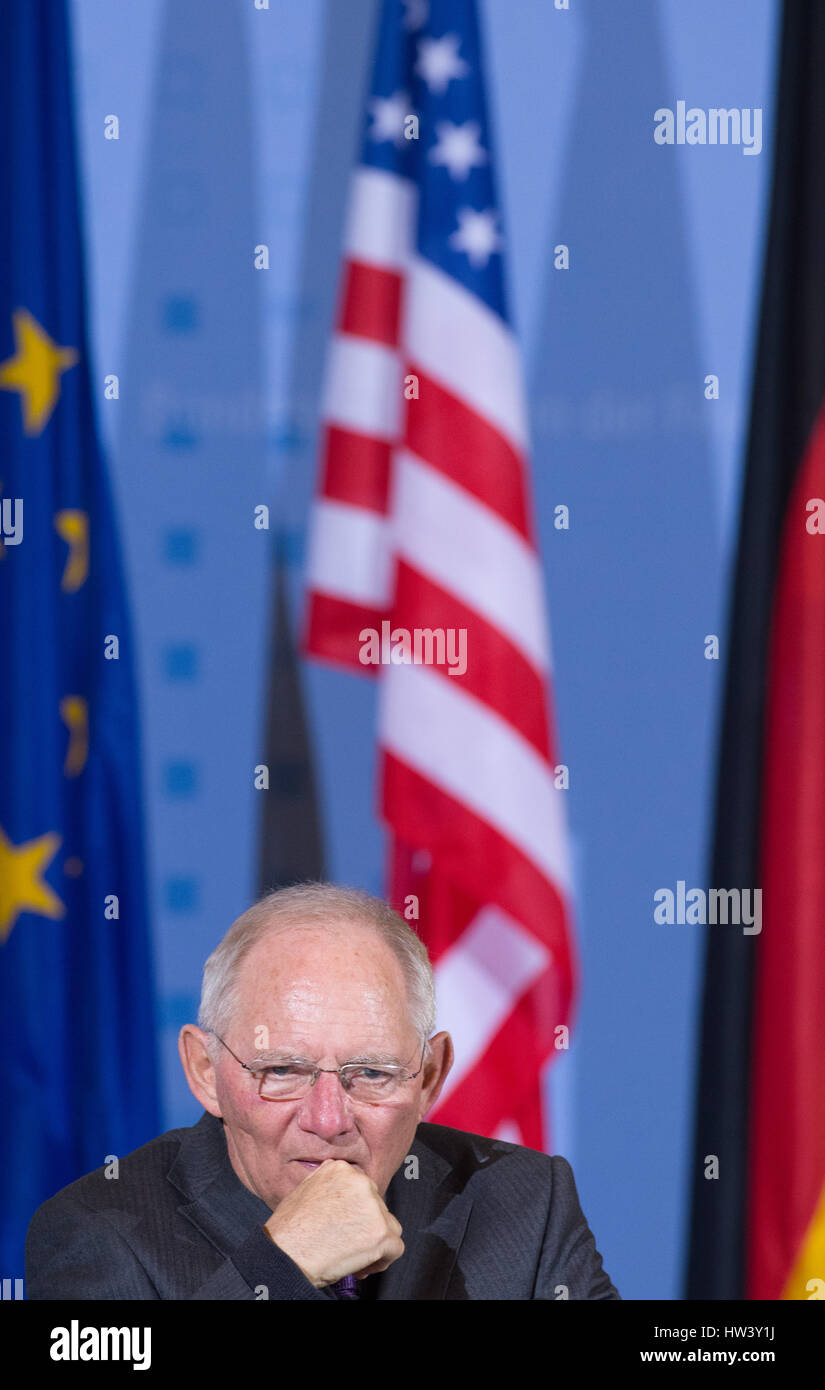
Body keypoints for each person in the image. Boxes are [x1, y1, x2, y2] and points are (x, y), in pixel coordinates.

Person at [25, 882, 620, 1300]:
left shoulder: (525, 1203)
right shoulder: (95, 1231)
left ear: (431, 1075)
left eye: (373, 1074)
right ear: (206, 1071)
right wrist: (279, 1270)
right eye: (281, 1071)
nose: (329, 1119)